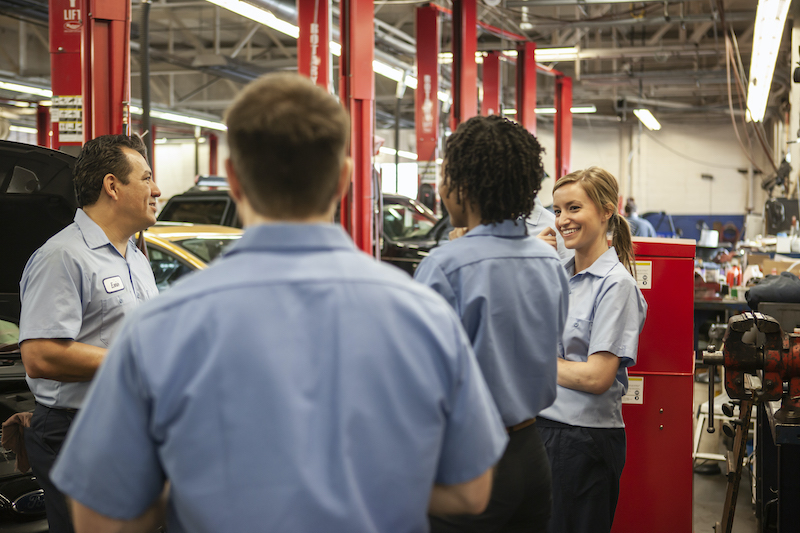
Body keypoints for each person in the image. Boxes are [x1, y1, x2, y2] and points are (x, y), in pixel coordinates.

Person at [49, 73, 508, 533]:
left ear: (233, 179)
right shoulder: (423, 315)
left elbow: (98, 519)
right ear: (345, 177)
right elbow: (472, 491)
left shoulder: (159, 328)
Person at [414, 115, 569, 533]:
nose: (441, 187)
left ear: (466, 186)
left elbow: (423, 380)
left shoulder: (444, 267)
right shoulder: (547, 263)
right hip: (533, 456)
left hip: (469, 460)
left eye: (446, 175)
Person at [18, 134, 161, 533]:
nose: (157, 190)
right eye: (146, 178)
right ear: (112, 186)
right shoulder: (63, 256)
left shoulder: (135, 256)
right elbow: (41, 356)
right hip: (77, 432)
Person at [537, 167, 648, 533]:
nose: (562, 220)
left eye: (573, 208)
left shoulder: (617, 286)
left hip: (582, 441)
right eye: (557, 211)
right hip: (545, 429)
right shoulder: (560, 274)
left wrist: (532, 362)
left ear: (605, 211)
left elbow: (597, 377)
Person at [527, 196, 574, 261]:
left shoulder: (554, 227)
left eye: (574, 208)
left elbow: (567, 269)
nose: (562, 222)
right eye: (557, 211)